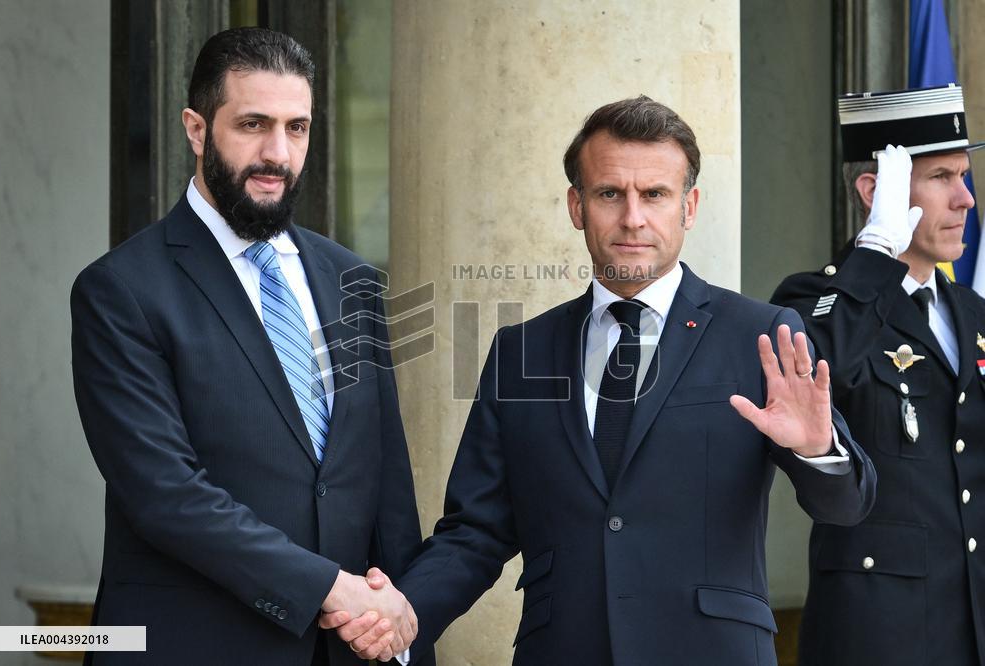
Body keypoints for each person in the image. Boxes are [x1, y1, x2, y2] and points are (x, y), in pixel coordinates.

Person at [326, 96, 876, 665]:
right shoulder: (522, 351)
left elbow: (847, 506)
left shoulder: (758, 336)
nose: (633, 218)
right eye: (610, 193)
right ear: (576, 205)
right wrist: (403, 611)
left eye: (655, 195)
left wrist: (816, 449)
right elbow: (477, 531)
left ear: (689, 207)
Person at [71, 27, 429, 665]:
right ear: (196, 129)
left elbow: (384, 487)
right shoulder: (119, 291)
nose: (278, 153)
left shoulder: (353, 282)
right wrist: (330, 588)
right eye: (253, 124)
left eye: (298, 128)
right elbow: (166, 495)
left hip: (349, 651)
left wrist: (401, 637)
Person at [772, 84, 985, 666]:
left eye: (965, 175)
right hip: (879, 635)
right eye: (942, 177)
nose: (966, 198)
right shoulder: (815, 299)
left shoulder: (974, 313)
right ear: (876, 192)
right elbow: (818, 365)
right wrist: (876, 252)